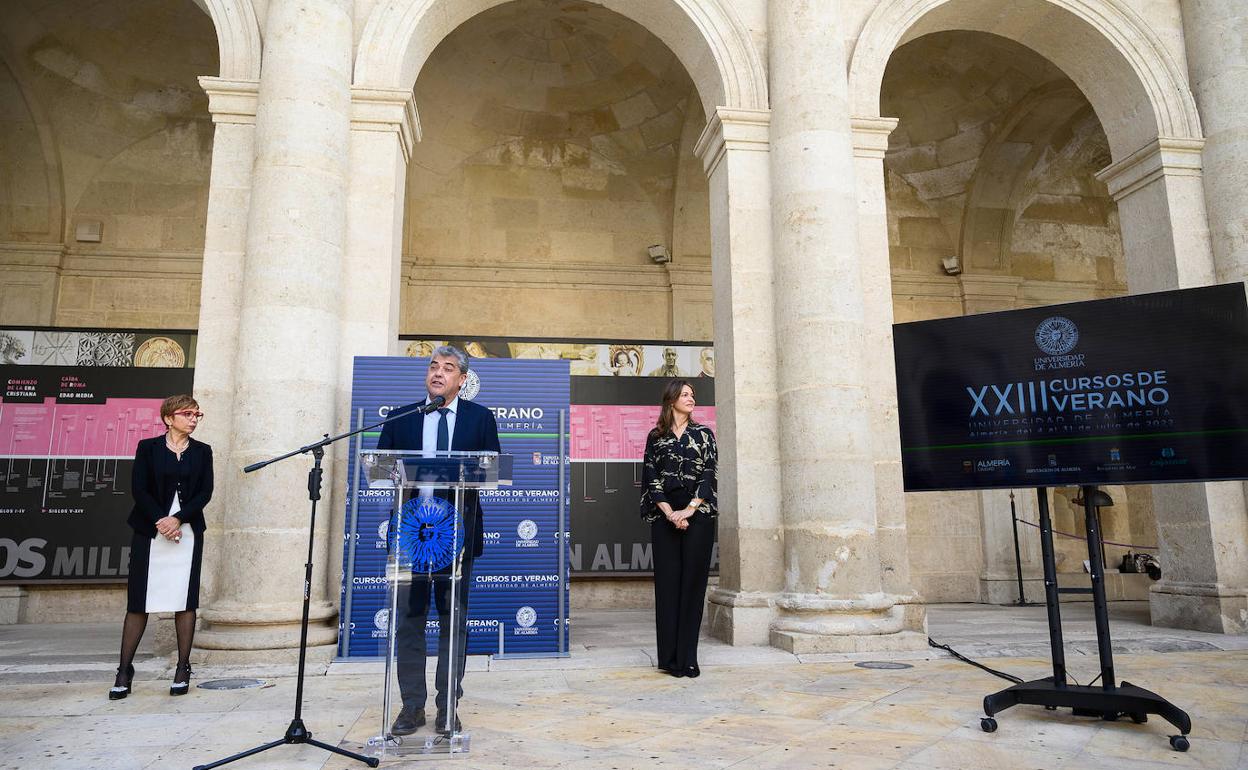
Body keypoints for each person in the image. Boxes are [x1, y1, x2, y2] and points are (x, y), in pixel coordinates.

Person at [378, 346, 500, 736]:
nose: (438, 373)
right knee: (410, 624)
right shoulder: (402, 417)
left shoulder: (480, 418)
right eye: (433, 366)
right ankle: (411, 707)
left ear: (462, 380)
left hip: (457, 538)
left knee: (453, 624)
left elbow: (492, 470)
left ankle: (448, 707)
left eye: (448, 368)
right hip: (412, 537)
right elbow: (379, 467)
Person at [109, 394, 212, 700]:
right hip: (150, 531)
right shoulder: (148, 448)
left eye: (197, 414)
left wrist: (178, 519)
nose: (193, 419)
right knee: (139, 600)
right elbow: (139, 489)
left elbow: (205, 492)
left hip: (188, 531)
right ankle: (124, 670)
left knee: (185, 598)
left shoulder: (203, 451)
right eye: (188, 414)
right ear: (169, 418)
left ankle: (183, 667)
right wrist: (161, 521)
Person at [641, 380, 717, 679]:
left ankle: (688, 658)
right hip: (665, 516)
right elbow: (650, 475)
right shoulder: (655, 437)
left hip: (697, 515)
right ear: (671, 399)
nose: (691, 398)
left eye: (692, 395)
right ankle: (669, 659)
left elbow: (709, 473)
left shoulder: (703, 434)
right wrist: (670, 513)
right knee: (668, 587)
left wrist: (688, 510)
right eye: (685, 394)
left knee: (692, 588)